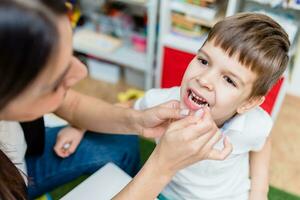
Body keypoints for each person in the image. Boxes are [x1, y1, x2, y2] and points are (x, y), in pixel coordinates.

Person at [0, 0, 232, 200]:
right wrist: (162, 167)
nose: (82, 72)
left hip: (24, 158)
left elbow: (72, 105)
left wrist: (138, 120)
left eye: (72, 54)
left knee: (123, 143)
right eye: (57, 78)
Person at [133, 13, 290, 200]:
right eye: (204, 61)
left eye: (229, 80)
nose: (204, 79)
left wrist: (259, 192)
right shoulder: (163, 103)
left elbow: (263, 142)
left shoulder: (254, 124)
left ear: (248, 103)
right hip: (168, 192)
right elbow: (129, 113)